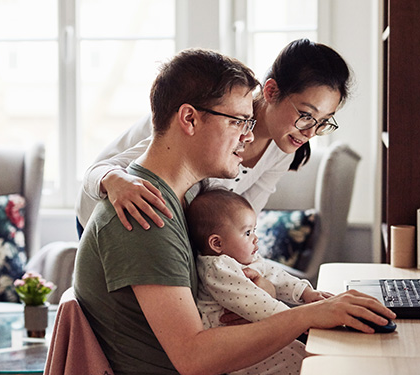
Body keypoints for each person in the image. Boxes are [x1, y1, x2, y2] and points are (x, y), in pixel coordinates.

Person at [74, 48, 396, 375]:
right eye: (239, 121)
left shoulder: (188, 199)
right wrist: (308, 315)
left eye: (249, 121)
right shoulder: (147, 209)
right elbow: (193, 358)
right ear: (190, 119)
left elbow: (243, 244)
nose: (248, 136)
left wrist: (281, 299)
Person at [75, 38, 352, 236]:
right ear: (270, 91)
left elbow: (243, 218)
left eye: (323, 122)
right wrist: (115, 180)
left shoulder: (282, 148)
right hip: (102, 207)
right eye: (306, 114)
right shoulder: (210, 121)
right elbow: (96, 172)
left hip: (163, 219)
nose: (310, 132)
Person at [187, 188, 334, 375]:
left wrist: (306, 293)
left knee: (310, 355)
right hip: (236, 352)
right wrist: (302, 320)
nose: (255, 238)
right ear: (217, 243)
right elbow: (256, 304)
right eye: (247, 232)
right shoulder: (218, 268)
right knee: (305, 365)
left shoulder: (244, 259)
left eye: (254, 230)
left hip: (258, 332)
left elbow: (275, 275)